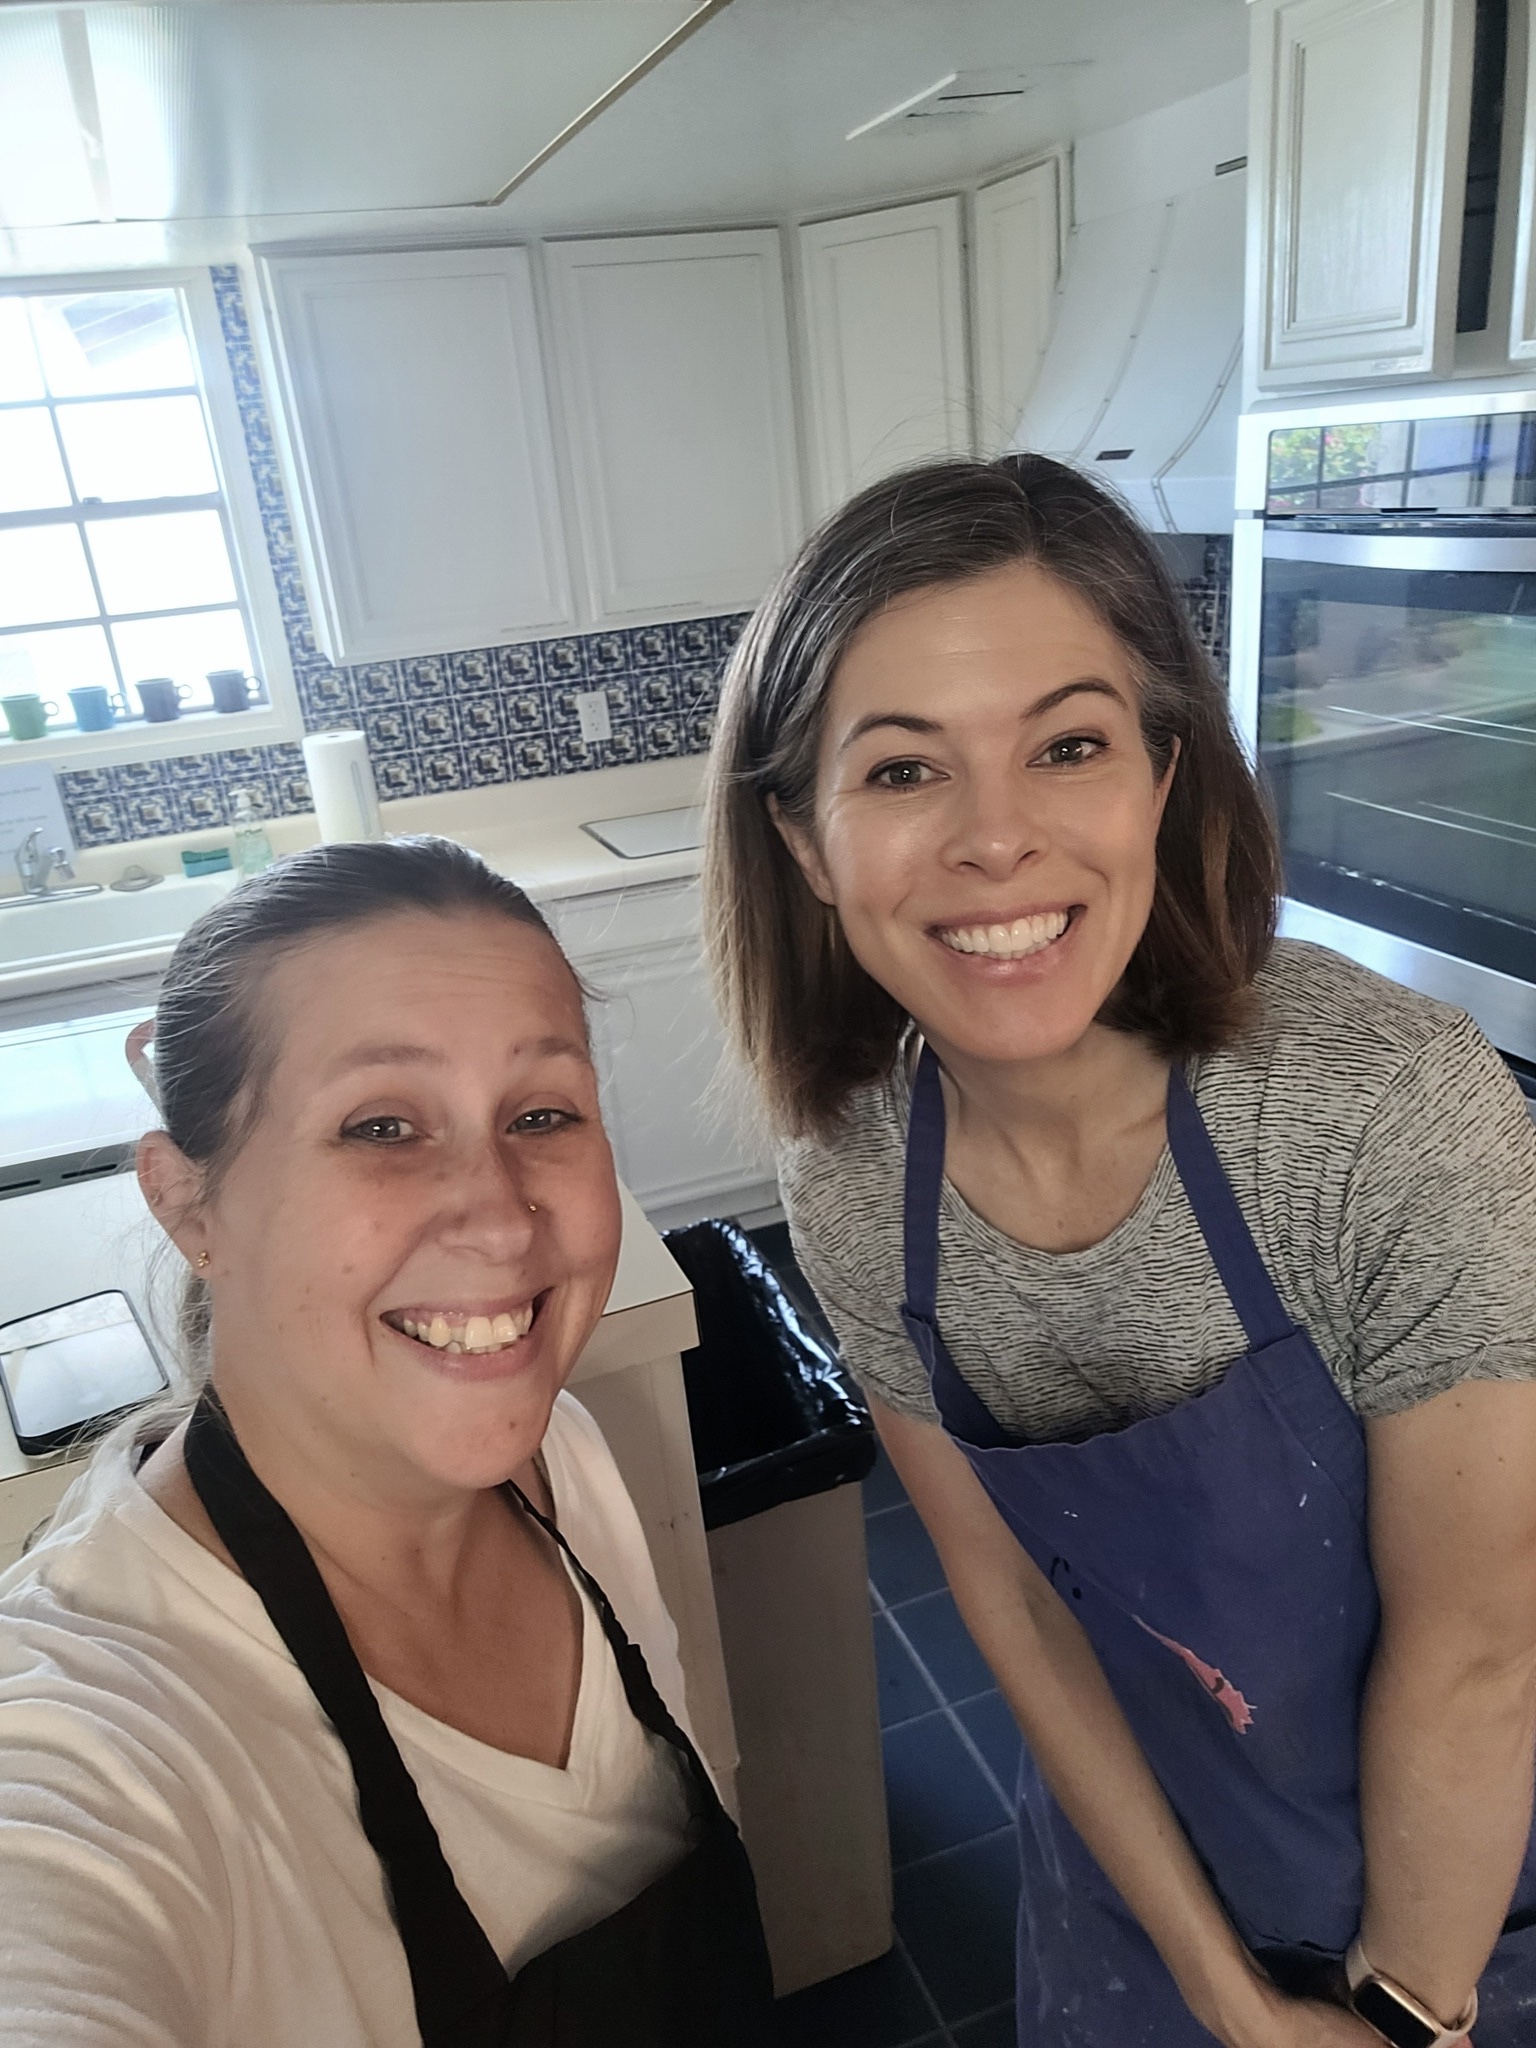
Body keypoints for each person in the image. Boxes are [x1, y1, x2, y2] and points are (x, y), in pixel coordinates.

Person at [702, 454, 1536, 2047]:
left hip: (1461, 1905)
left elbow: (1481, 1647)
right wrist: (1221, 1991)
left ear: (1161, 773)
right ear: (805, 841)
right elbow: (1013, 1602)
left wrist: (1400, 2015)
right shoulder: (854, 1172)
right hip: (1141, 1883)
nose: (996, 840)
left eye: (1068, 746)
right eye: (903, 771)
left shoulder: (1382, 1112)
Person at [0, 836, 772, 2048]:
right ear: (190, 1203)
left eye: (541, 1112)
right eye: (382, 1126)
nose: (500, 1213)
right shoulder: (96, 1737)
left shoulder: (563, 1458)